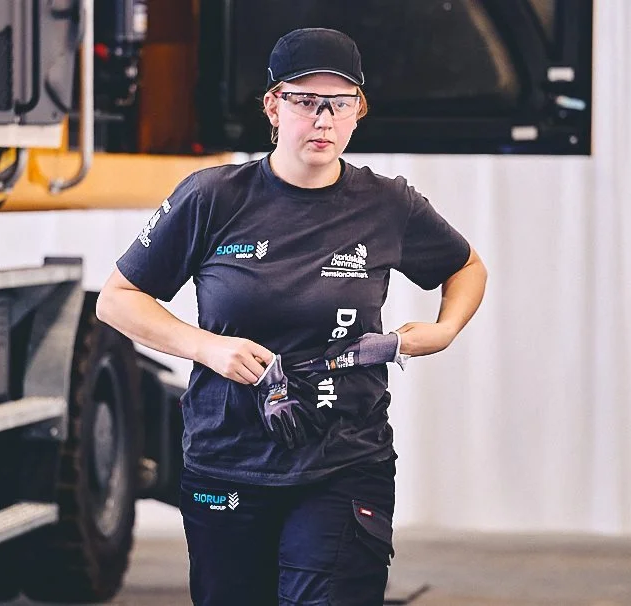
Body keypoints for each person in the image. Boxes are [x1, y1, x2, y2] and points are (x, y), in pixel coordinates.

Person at [96, 27, 487, 606]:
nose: (323, 119)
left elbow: (467, 267)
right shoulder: (212, 197)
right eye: (306, 101)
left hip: (344, 459)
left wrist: (446, 327)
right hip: (228, 459)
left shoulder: (388, 204)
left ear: (359, 111)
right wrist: (206, 347)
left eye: (340, 103)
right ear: (273, 107)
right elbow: (118, 298)